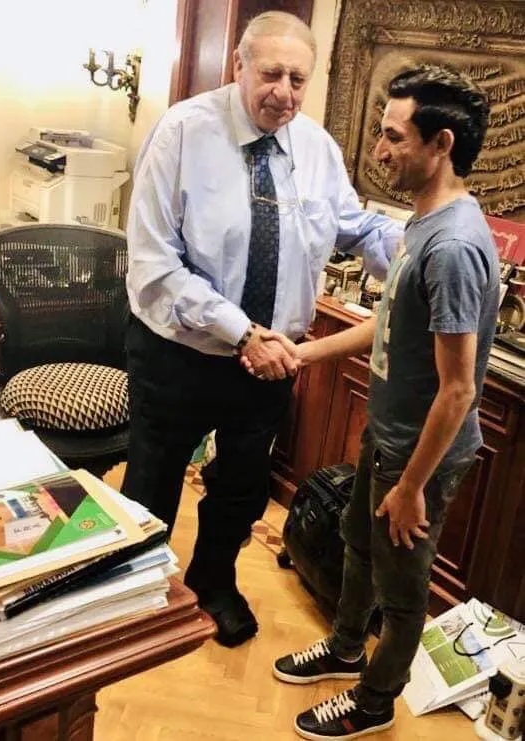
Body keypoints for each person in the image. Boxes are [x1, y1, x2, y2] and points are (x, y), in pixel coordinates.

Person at [122, 10, 402, 649]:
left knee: (243, 486)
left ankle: (213, 583)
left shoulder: (317, 148)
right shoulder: (182, 133)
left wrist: (422, 248)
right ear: (239, 66)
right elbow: (153, 264)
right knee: (152, 483)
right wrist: (241, 332)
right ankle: (138, 595)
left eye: (298, 80)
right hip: (180, 352)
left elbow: (356, 227)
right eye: (271, 74)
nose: (285, 93)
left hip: (273, 359)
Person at [266, 65, 499, 738]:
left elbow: (459, 388)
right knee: (359, 548)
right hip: (389, 434)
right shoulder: (423, 224)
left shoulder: (453, 247)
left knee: (401, 592)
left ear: (441, 144)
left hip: (420, 456)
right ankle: (344, 649)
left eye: (394, 136)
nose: (379, 151)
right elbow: (391, 324)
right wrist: (304, 353)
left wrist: (413, 486)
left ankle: (373, 702)